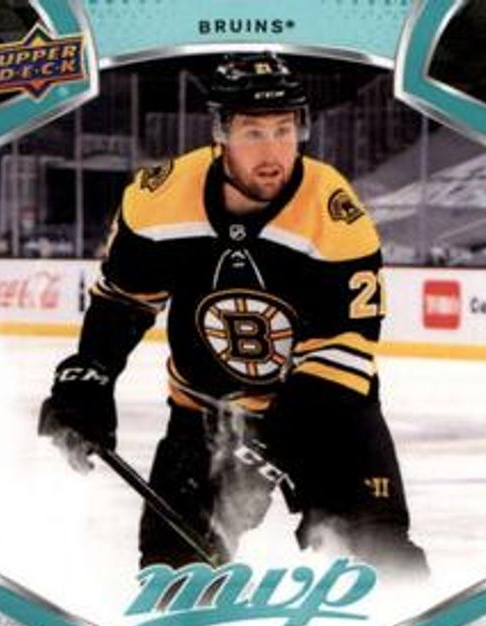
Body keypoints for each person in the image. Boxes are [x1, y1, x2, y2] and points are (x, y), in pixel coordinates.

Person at [39, 53, 428, 581]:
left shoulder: (334, 213)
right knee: (172, 576)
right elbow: (124, 301)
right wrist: (90, 377)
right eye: (253, 133)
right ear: (220, 132)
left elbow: (342, 352)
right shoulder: (158, 199)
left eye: (284, 130)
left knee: (384, 557)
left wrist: (272, 442)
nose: (272, 152)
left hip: (325, 414)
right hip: (204, 410)